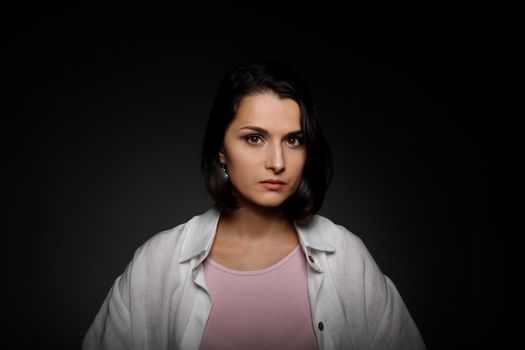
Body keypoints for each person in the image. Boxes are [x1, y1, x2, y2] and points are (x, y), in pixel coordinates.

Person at [82, 62, 427, 350]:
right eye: (254, 138)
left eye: (293, 140)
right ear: (221, 149)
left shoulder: (345, 257)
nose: (277, 162)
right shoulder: (158, 263)